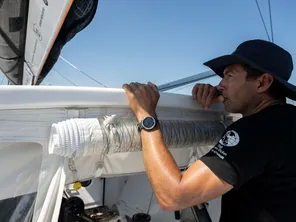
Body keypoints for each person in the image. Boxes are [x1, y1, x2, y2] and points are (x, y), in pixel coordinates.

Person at [122, 39, 296, 222]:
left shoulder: (257, 129)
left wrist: (146, 114)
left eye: (229, 76)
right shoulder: (285, 121)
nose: (220, 85)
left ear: (262, 83)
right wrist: (224, 96)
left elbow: (174, 196)